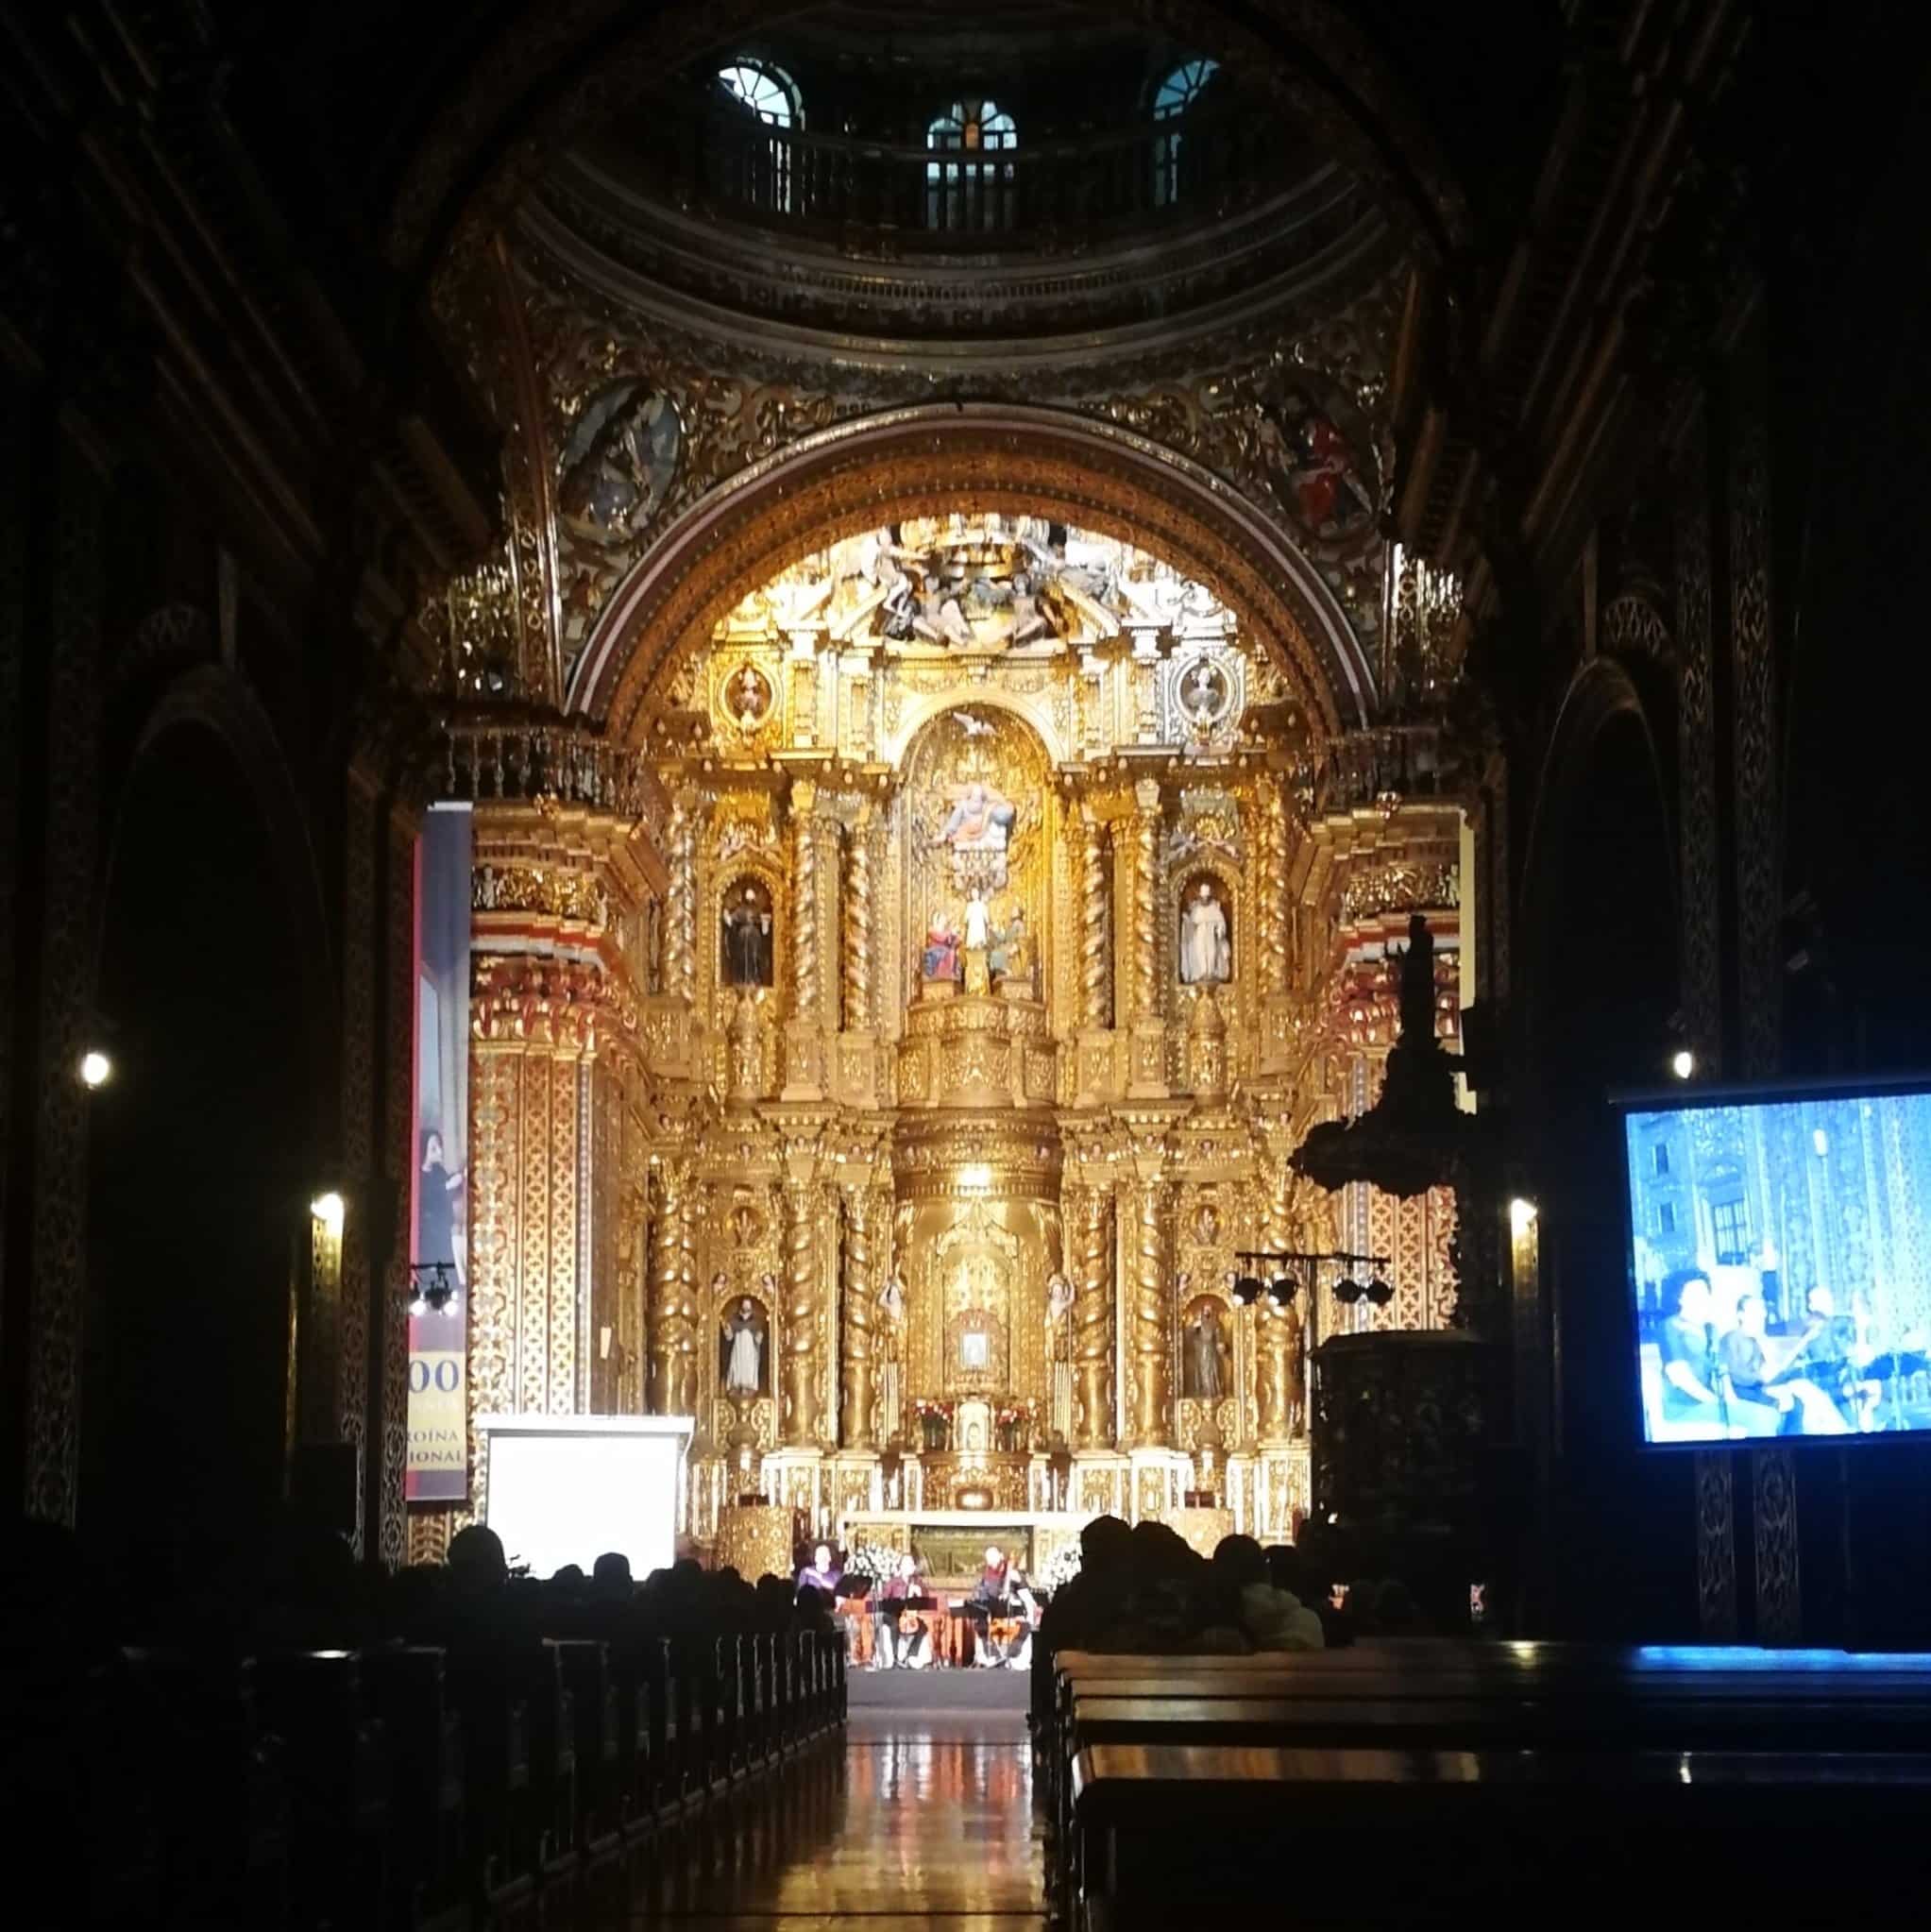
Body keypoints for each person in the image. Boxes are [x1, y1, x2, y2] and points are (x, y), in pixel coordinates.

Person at [1720, 1292, 1847, 1434]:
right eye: (1755, 1310)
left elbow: (1776, 1372)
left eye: (1762, 1310)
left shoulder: (1759, 1340)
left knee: (1804, 1391)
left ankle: (1836, 1433)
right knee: (1797, 1398)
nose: (1762, 1315)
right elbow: (1738, 1376)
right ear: (1741, 1315)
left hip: (1762, 1388)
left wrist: (1764, 1342)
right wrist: (1763, 1381)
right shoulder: (1732, 1338)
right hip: (1746, 1393)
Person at [1655, 1267, 1724, 1431]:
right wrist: (1716, 1403)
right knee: (1760, 1418)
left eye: (1704, 1293)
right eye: (1694, 1294)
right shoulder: (1670, 1326)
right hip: (1683, 1408)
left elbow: (1721, 1372)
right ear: (1680, 1298)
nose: (1702, 1298)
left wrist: (1730, 1402)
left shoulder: (1711, 1329)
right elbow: (1679, 1376)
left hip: (1712, 1405)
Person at [417, 1128, 466, 1272]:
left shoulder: (439, 1170)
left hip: (442, 1231)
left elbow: (448, 1190)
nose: (439, 1151)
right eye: (433, 1148)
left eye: (439, 1146)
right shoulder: (418, 1176)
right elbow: (428, 1196)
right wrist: (447, 1186)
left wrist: (459, 1178)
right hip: (429, 1236)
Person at [873, 1552, 928, 1669]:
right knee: (894, 1625)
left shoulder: (918, 1582)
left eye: (911, 1564)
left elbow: (927, 1602)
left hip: (910, 1615)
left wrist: (919, 1594)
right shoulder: (893, 1582)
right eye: (905, 1563)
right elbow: (883, 1600)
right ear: (901, 1567)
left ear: (914, 1568)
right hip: (893, 1614)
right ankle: (894, 1657)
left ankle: (911, 1655)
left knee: (923, 1627)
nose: (908, 1566)